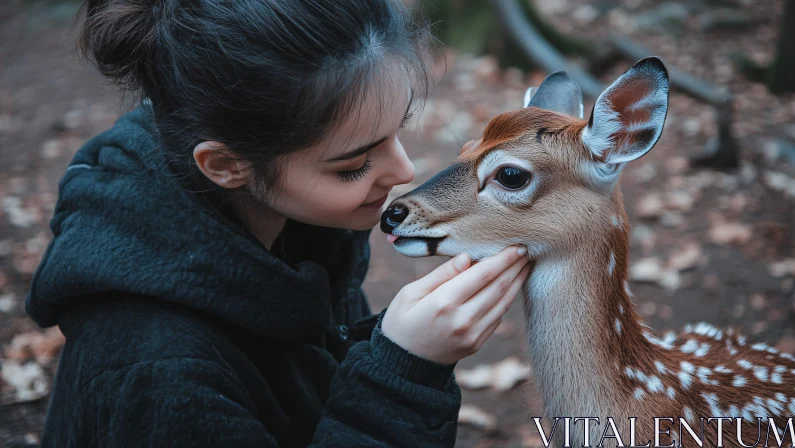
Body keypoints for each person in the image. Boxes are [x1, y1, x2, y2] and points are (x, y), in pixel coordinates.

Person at [24, 0, 533, 446]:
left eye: (397, 129)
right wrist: (402, 374)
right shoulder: (159, 377)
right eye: (354, 164)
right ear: (225, 167)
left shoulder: (285, 216)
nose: (404, 172)